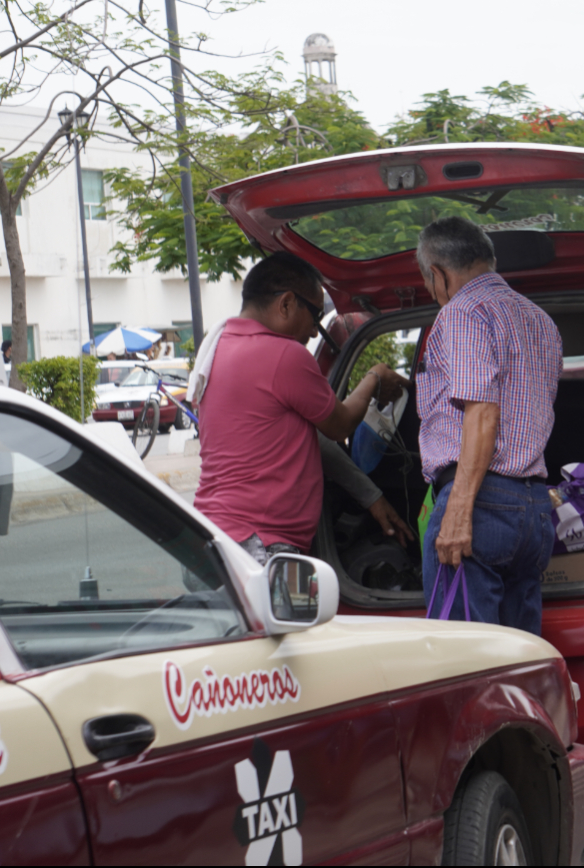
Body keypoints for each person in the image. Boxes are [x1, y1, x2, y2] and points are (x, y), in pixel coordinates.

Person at [193, 252, 409, 565]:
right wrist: (376, 376)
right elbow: (340, 424)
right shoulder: (283, 354)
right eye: (315, 317)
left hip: (215, 536)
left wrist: (371, 497)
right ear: (286, 304)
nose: (313, 332)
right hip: (261, 547)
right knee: (291, 616)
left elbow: (312, 441)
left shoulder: (217, 348)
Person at [415, 216, 562, 634]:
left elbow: (482, 411)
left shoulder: (461, 313)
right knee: (519, 661)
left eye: (428, 282)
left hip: (482, 506)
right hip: (534, 511)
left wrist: (459, 512)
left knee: (466, 663)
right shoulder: (540, 321)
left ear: (438, 273)